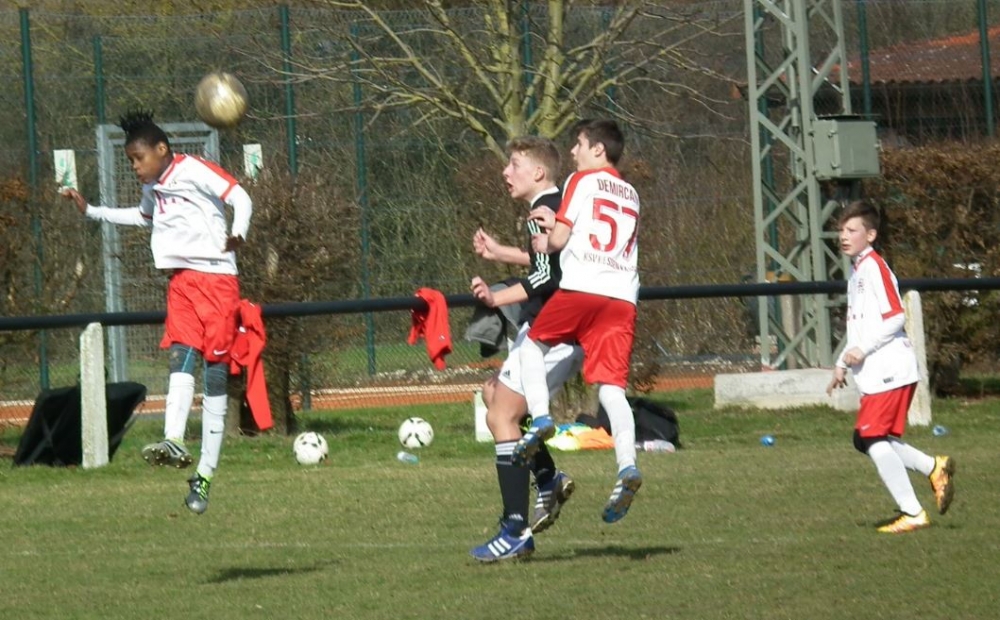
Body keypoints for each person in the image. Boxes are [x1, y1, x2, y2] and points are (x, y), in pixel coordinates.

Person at [62, 109, 253, 515]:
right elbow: (142, 216)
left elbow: (240, 196)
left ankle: (205, 473)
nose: (135, 166)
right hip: (181, 281)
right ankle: (174, 439)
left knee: (215, 373)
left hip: (217, 281)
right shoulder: (154, 187)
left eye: (138, 158)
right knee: (180, 355)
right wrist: (91, 210)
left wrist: (239, 232)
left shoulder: (194, 169)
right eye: (131, 160)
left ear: (162, 149)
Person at [514, 118, 643, 525]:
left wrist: (546, 238)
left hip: (583, 286)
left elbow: (559, 240)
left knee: (532, 345)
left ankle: (541, 418)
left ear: (598, 150)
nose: (573, 152)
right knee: (612, 389)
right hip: (622, 298)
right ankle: (627, 466)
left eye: (580, 144)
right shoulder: (632, 193)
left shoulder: (580, 181)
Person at [468, 136, 584, 563]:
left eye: (514, 164)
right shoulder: (554, 206)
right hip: (552, 332)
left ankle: (515, 528)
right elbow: (548, 264)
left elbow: (547, 280)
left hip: (552, 334)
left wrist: (495, 298)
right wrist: (502, 252)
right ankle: (548, 477)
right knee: (492, 394)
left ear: (538, 172)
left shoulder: (542, 212)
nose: (506, 171)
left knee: (501, 416)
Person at [826, 200, 955, 534]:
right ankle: (933, 466)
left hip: (890, 370)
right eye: (841, 230)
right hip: (878, 373)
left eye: (851, 230)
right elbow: (859, 328)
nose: (844, 236)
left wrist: (862, 350)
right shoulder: (857, 270)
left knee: (871, 438)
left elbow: (896, 316)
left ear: (870, 235)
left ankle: (913, 512)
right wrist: (841, 363)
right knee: (865, 439)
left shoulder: (874, 267)